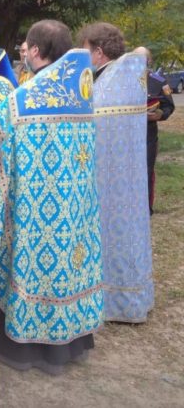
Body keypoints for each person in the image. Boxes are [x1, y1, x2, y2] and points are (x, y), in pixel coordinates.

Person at [0, 20, 102, 375]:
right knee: (70, 262)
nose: (24, 51)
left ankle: (27, 349)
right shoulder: (82, 89)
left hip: (34, 213)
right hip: (75, 205)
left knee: (33, 262)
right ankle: (73, 339)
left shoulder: (21, 99)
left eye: (26, 46)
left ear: (36, 51)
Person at [81, 23, 153, 323]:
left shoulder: (106, 88)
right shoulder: (127, 79)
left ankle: (111, 300)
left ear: (98, 52)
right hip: (131, 182)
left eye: (85, 50)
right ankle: (133, 298)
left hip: (107, 182)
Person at [134, 46, 175, 215]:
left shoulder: (158, 81)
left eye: (141, 59)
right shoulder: (122, 81)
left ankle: (145, 208)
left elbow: (169, 106)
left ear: (148, 61)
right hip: (126, 133)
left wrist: (159, 115)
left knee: (146, 169)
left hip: (148, 133)